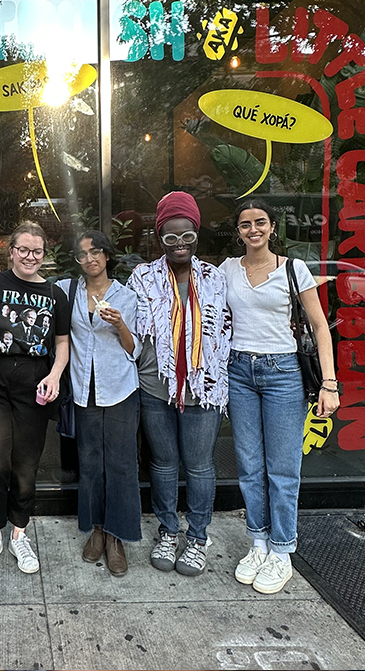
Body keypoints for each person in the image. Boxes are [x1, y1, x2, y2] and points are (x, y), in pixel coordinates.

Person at [222, 199, 341, 595]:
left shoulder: (293, 269)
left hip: (283, 373)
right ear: (237, 231)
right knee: (249, 464)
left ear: (273, 227)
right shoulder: (227, 271)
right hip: (239, 372)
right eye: (245, 224)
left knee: (283, 467)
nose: (252, 230)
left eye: (260, 222)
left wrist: (330, 383)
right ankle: (258, 542)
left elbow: (321, 328)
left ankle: (282, 551)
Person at [127, 191, 233, 577]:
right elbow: (131, 326)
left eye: (186, 236)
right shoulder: (143, 277)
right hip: (156, 386)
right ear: (159, 239)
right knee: (164, 463)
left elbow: (229, 329)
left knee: (200, 466)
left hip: (203, 388)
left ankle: (199, 538)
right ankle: (169, 531)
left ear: (196, 235)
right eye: (170, 237)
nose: (179, 245)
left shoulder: (215, 277)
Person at [0, 221, 71, 577]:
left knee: (26, 463)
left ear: (44, 254)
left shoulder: (55, 294)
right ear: (10, 251)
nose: (30, 256)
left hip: (36, 381)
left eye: (37, 251)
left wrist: (54, 375)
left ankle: (19, 532)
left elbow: (62, 343)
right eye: (24, 249)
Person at [60, 230, 141, 576]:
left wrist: (120, 323)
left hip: (120, 388)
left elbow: (134, 349)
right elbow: (29, 283)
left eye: (96, 252)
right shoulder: (68, 290)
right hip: (84, 389)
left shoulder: (127, 296)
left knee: (121, 465)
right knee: (90, 463)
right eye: (82, 254)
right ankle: (94, 529)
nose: (90, 258)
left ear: (107, 256)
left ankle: (115, 537)